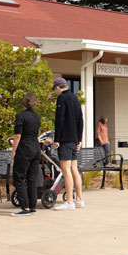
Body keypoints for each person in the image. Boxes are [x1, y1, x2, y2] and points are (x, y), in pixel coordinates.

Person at [52, 77, 84, 210]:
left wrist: (56, 139)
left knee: (66, 170)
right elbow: (80, 119)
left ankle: (69, 201)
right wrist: (79, 139)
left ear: (58, 87)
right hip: (74, 139)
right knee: (74, 170)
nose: (56, 92)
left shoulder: (62, 99)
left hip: (64, 139)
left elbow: (59, 120)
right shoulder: (75, 98)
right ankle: (79, 199)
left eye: (55, 90)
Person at [10, 92, 42, 216]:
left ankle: (25, 207)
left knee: (18, 178)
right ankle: (32, 206)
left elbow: (18, 135)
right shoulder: (37, 116)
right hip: (35, 147)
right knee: (31, 178)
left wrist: (13, 151)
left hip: (24, 148)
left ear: (23, 103)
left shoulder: (20, 116)